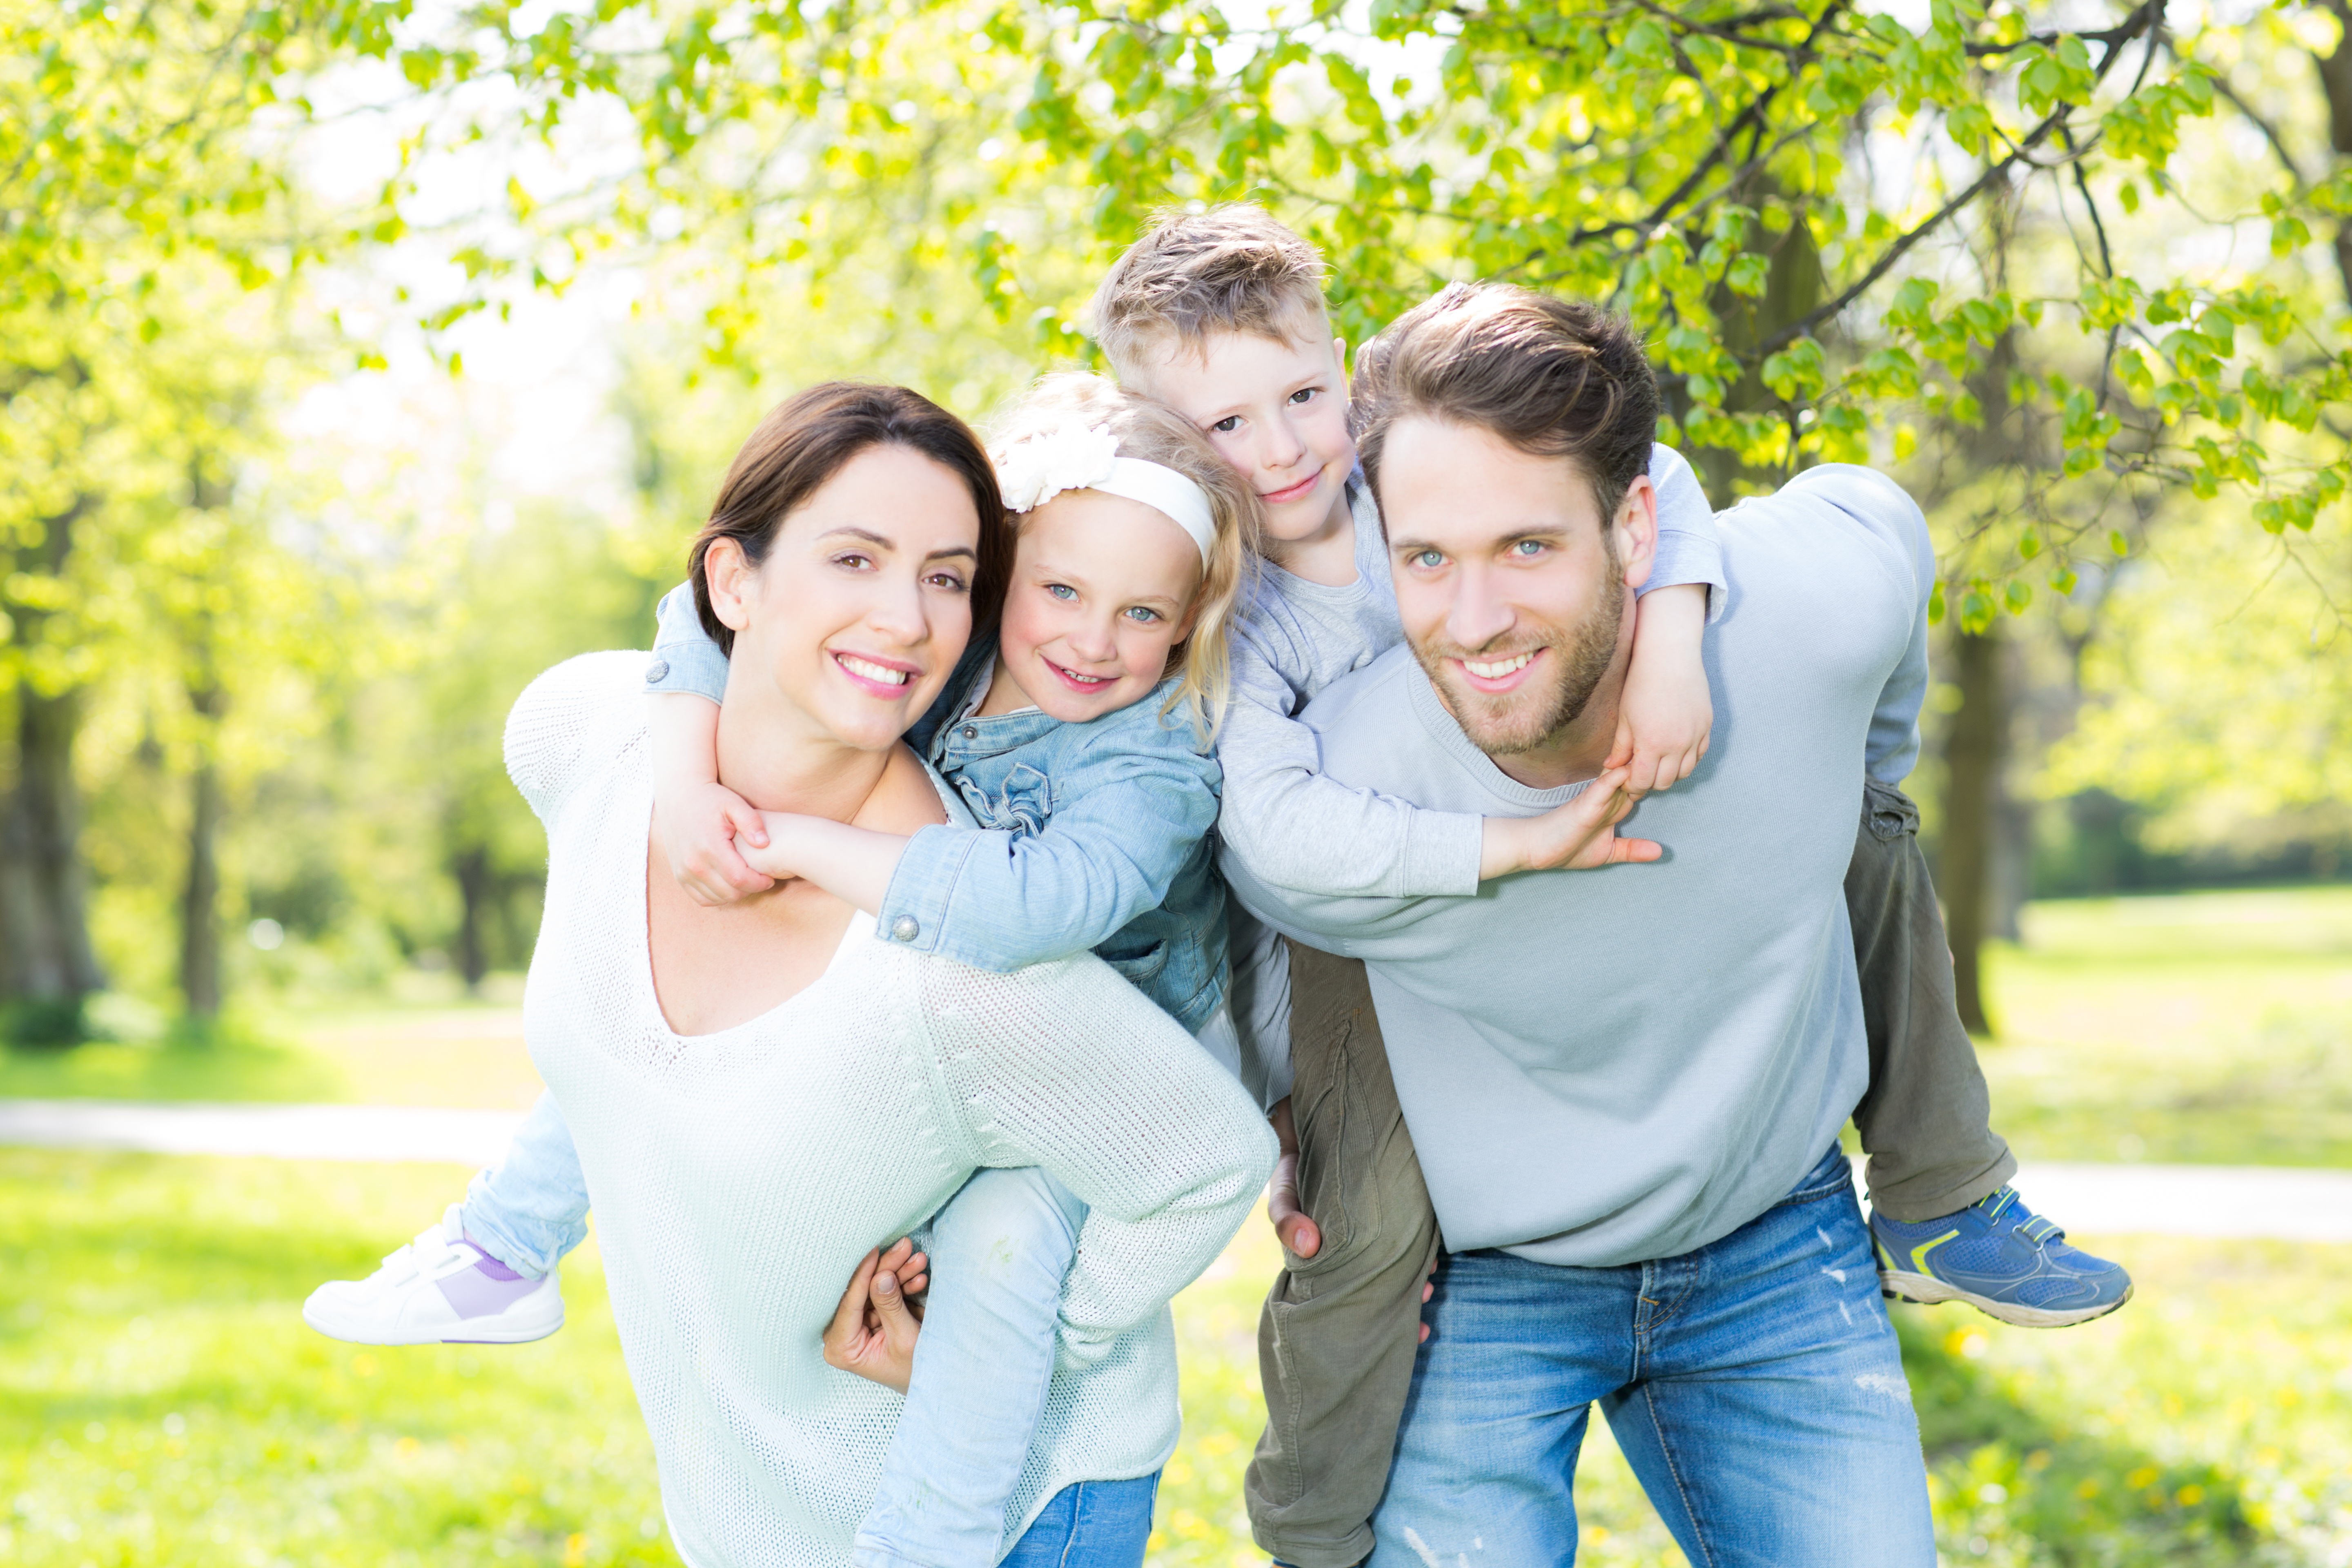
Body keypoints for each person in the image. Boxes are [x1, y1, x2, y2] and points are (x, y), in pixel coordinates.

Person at [1099, 210, 2129, 1568]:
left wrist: (1680, 629)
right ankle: (1315, 1530)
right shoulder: (1229, 605)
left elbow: (1657, 474)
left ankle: (1944, 1190)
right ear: (1169, 443)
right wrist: (1508, 849)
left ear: (1340, 370)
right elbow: (1277, 850)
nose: (1283, 450)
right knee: (1356, 1236)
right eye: (1227, 428)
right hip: (1377, 997)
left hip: (1771, 1224)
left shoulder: (1421, 458)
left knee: (1875, 825)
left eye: (1301, 399)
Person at [309, 382, 1276, 1567]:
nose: (1090, 637)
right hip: (781, 1467)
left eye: (1140, 613)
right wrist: (684, 780)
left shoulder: (1141, 766)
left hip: (1075, 1113)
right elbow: (689, 619)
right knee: (633, 1030)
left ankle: (930, 1539)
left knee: (1001, 1252)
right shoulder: (912, 663)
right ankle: (503, 1243)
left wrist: (797, 846)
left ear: (1185, 625)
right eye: (1058, 592)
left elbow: (1046, 923)